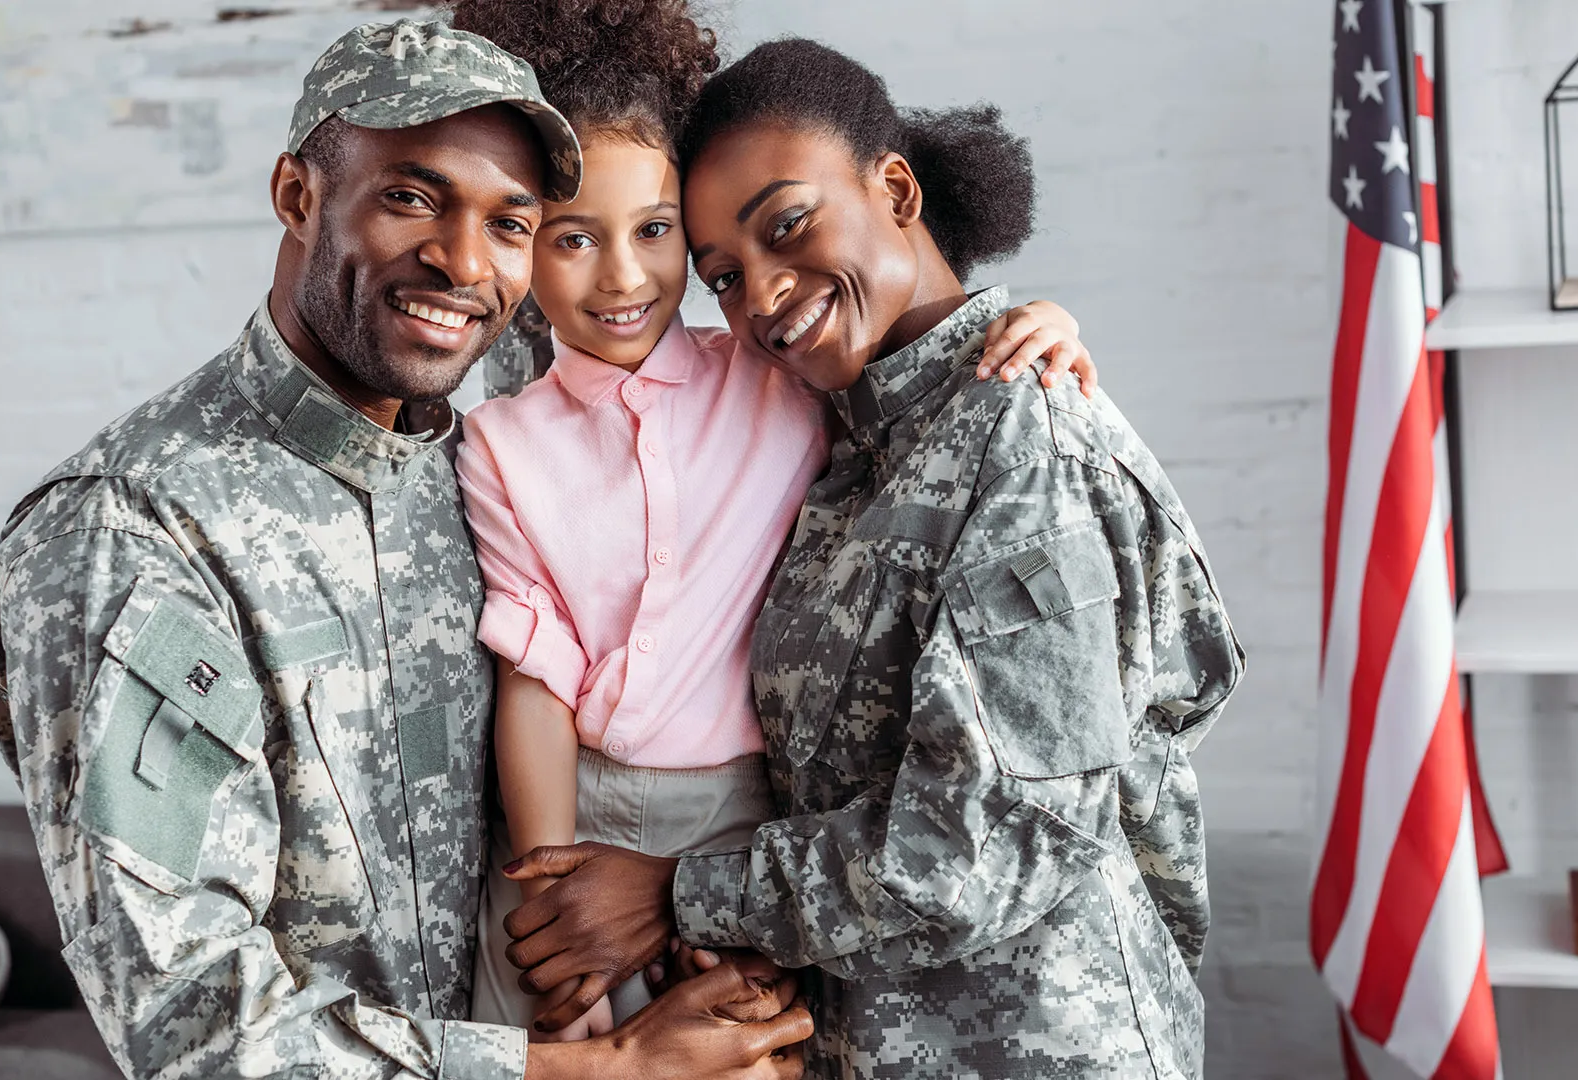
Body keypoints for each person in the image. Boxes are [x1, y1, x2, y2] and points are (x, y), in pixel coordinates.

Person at [0, 20, 811, 1080]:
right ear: (297, 196)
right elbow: (189, 1018)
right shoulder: (131, 528)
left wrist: (1001, 337)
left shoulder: (485, 440)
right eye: (412, 198)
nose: (463, 262)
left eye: (511, 222)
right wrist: (612, 1071)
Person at [493, 38, 1247, 1078]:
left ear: (896, 186)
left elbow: (992, 846)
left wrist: (674, 891)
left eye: (787, 226)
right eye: (723, 275)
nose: (760, 296)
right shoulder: (844, 438)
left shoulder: (1026, 440)